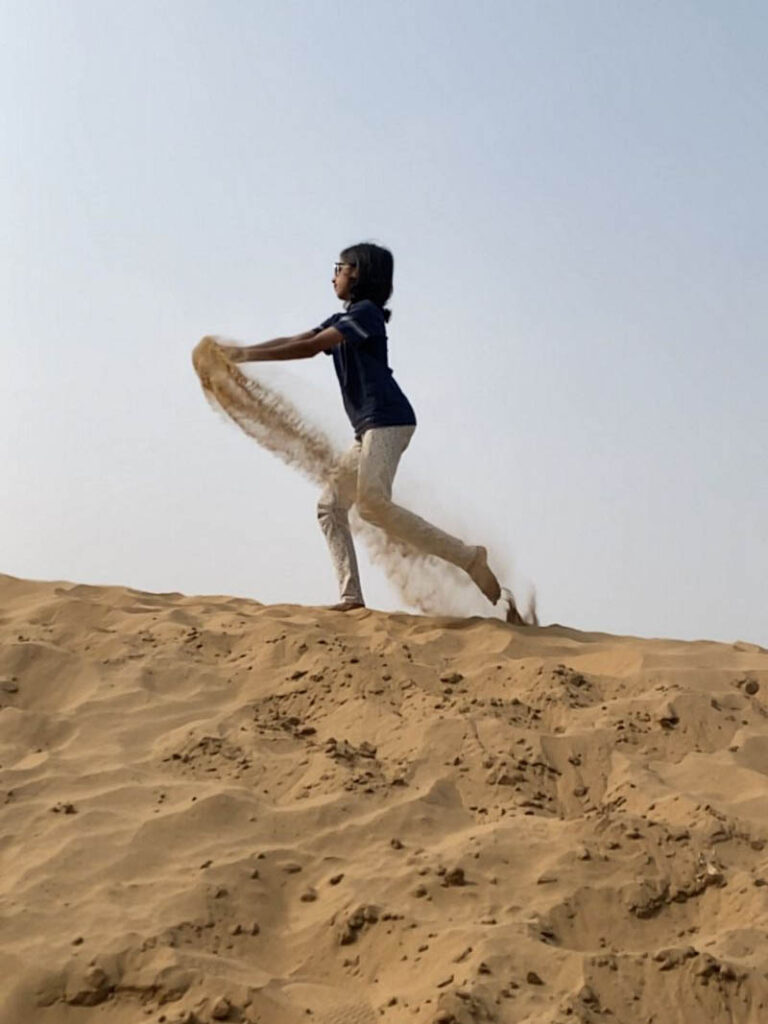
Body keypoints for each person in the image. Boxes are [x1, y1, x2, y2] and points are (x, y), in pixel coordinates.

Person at [219, 242, 502, 612]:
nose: (333, 274)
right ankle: (351, 596)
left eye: (340, 266)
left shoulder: (366, 315)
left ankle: (469, 558)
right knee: (330, 507)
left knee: (371, 505)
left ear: (358, 273)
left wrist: (246, 356)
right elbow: (298, 339)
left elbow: (311, 347)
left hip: (388, 420)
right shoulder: (345, 318)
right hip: (368, 429)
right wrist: (240, 352)